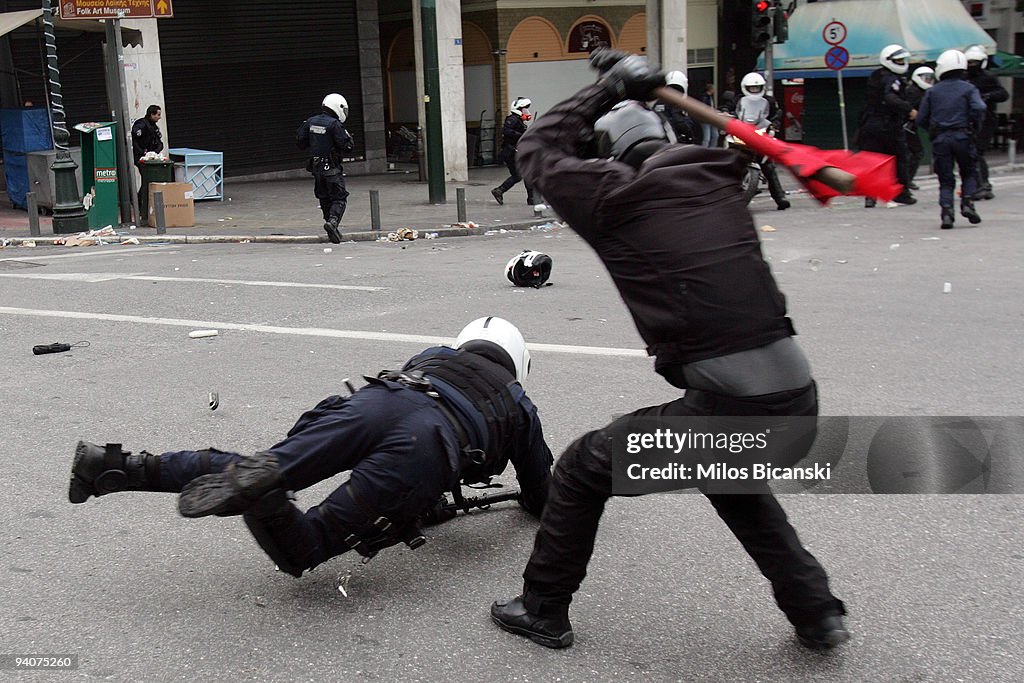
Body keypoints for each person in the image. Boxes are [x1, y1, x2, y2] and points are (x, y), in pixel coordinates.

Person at [489, 50, 848, 651]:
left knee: (580, 470)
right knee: (729, 478)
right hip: (794, 401)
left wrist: (606, 88)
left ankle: (542, 608)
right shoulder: (720, 184)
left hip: (734, 408)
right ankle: (816, 612)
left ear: (610, 153)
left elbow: (538, 149)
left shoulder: (612, 198)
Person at [68, 317, 553, 577]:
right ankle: (266, 499)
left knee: (265, 466)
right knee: (306, 546)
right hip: (425, 445)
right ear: (518, 362)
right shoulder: (517, 402)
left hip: (377, 402)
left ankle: (114, 466)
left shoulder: (432, 355)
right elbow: (539, 492)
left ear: (465, 343)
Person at [917, 50, 986, 230]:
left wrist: (933, 131)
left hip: (941, 138)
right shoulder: (969, 88)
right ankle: (968, 203)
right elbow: (979, 108)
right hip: (964, 136)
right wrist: (974, 127)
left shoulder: (933, 91)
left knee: (946, 178)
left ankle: (947, 212)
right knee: (969, 172)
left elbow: (921, 118)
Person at [855, 44, 917, 207]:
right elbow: (890, 98)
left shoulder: (875, 76)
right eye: (898, 60)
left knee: (872, 161)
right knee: (899, 158)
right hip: (888, 125)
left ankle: (870, 195)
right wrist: (908, 109)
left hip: (870, 124)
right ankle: (901, 193)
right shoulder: (892, 79)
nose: (902, 63)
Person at [297, 93, 355, 244]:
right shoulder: (334, 124)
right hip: (332, 168)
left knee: (323, 197)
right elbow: (347, 146)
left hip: (316, 169)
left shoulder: (310, 121)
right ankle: (333, 222)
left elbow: (300, 141)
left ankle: (331, 226)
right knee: (339, 197)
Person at [735, 72, 790, 210]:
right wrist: (724, 111)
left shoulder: (769, 101)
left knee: (768, 166)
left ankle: (780, 197)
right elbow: (729, 108)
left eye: (757, 88)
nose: (754, 90)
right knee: (728, 159)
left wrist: (775, 124)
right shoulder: (739, 99)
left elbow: (777, 113)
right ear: (744, 87)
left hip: (759, 133)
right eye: (751, 88)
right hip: (742, 132)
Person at [963, 45, 1008, 200]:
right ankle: (981, 184)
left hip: (986, 119)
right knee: (971, 152)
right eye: (969, 62)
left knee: (977, 151)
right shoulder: (963, 77)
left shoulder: (988, 78)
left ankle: (983, 185)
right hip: (968, 119)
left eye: (975, 62)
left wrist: (987, 96)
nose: (971, 65)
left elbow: (1003, 94)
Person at [491, 98, 540, 206]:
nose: (526, 112)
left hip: (515, 151)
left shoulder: (519, 120)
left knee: (520, 174)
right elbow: (506, 131)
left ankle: (500, 191)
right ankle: (530, 198)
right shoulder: (512, 119)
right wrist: (522, 134)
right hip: (511, 152)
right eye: (524, 109)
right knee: (522, 174)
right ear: (518, 109)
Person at [904, 66, 935, 189]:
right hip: (906, 127)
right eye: (926, 79)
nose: (928, 81)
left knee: (913, 153)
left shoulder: (920, 92)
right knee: (916, 152)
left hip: (910, 127)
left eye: (930, 79)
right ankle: (906, 180)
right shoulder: (914, 92)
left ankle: (906, 180)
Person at [652, 71, 702, 145]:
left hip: (659, 140)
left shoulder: (657, 103)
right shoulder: (676, 103)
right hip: (674, 141)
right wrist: (690, 136)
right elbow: (680, 121)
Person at [132, 104, 164, 213]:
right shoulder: (141, 124)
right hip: (141, 158)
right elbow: (135, 139)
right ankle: (139, 202)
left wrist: (154, 152)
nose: (160, 117)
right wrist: (143, 153)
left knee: (149, 180)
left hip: (150, 158)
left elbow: (159, 142)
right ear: (152, 114)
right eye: (158, 114)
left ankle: (141, 202)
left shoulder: (154, 127)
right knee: (147, 180)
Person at [699, 82, 719, 147]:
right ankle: (704, 151)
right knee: (707, 138)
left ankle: (712, 150)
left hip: (712, 118)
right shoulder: (705, 97)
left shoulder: (710, 97)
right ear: (710, 89)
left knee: (715, 135)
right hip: (706, 119)